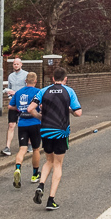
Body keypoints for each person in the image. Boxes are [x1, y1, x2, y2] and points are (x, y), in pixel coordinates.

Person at [27, 67, 82, 211]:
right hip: (61, 132)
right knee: (58, 164)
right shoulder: (69, 91)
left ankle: (41, 185)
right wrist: (68, 109)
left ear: (52, 78)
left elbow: (30, 109)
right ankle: (51, 200)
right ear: (65, 79)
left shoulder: (44, 90)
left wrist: (41, 117)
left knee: (48, 161)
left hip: (45, 130)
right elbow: (78, 113)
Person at [11, 72, 42, 188]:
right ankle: (35, 175)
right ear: (35, 81)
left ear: (25, 81)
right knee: (36, 149)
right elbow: (42, 105)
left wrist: (20, 109)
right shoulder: (39, 92)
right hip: (35, 122)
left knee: (22, 148)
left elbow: (10, 106)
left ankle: (18, 168)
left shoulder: (18, 93)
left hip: (22, 123)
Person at [2, 58, 29, 157]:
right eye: (14, 64)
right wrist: (9, 94)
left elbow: (27, 90)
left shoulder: (26, 75)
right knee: (11, 125)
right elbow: (10, 89)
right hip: (14, 104)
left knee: (26, 124)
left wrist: (16, 93)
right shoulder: (10, 76)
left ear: (21, 64)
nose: (16, 65)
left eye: (17, 64)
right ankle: (7, 147)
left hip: (24, 103)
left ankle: (29, 144)